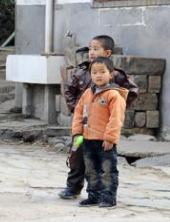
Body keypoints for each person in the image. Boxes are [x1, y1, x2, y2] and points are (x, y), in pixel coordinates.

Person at [58, 35, 138, 199]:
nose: (91, 52)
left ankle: (104, 193)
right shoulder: (82, 72)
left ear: (107, 52)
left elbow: (131, 92)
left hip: (102, 127)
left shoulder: (116, 75)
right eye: (90, 49)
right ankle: (73, 187)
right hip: (83, 126)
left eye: (96, 49)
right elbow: (69, 91)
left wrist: (116, 110)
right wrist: (76, 109)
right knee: (77, 156)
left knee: (103, 160)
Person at [71, 57, 127, 208]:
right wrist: (77, 132)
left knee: (107, 169)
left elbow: (116, 118)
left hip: (104, 141)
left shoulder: (114, 95)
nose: (98, 75)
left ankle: (108, 197)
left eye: (102, 72)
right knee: (90, 170)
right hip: (88, 139)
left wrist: (110, 138)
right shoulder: (88, 93)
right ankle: (93, 195)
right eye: (94, 72)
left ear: (111, 74)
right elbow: (78, 113)